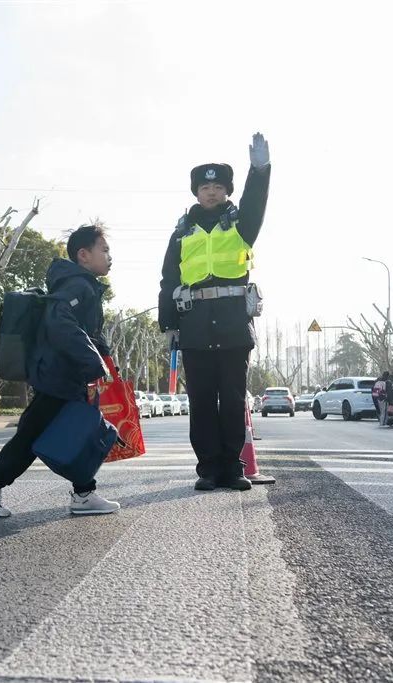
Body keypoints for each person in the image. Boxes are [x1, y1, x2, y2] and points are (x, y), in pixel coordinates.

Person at [0, 224, 120, 517]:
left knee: (76, 431)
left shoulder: (83, 284)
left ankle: (84, 493)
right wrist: (94, 361)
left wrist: (103, 355)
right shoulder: (77, 286)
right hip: (57, 376)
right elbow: (60, 323)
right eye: (104, 249)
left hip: (65, 375)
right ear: (83, 255)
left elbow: (86, 331)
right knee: (31, 436)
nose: (109, 256)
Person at [158, 133, 271, 491]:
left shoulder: (241, 225)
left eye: (219, 187)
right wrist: (169, 326)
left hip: (233, 325)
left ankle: (233, 467)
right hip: (194, 325)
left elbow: (256, 201)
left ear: (227, 192)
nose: (211, 192)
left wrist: (260, 170)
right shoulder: (181, 232)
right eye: (205, 188)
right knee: (202, 401)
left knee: (233, 398)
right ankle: (208, 468)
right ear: (195, 192)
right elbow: (168, 278)